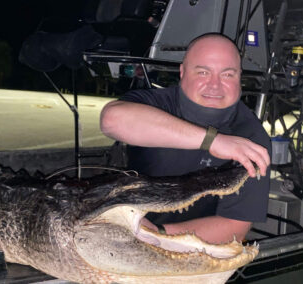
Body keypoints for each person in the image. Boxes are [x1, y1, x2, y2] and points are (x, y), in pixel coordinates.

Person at [100, 33, 271, 244]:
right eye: (203, 72)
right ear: (182, 72)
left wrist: (157, 234)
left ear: (239, 77)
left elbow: (235, 226)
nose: (214, 85)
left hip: (192, 246)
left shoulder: (251, 137)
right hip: (121, 229)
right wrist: (214, 141)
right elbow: (111, 120)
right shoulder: (156, 103)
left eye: (227, 75)